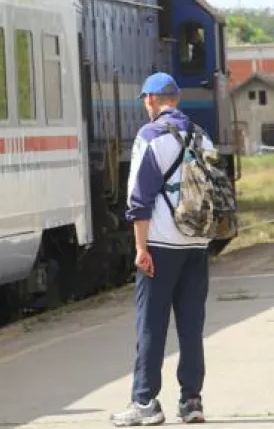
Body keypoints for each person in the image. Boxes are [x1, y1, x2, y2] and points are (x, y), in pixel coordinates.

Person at [110, 72, 211, 427]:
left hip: (160, 245)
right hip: (197, 244)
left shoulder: (150, 136)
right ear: (177, 100)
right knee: (191, 326)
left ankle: (145, 402)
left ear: (151, 99)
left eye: (145, 101)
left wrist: (140, 247)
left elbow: (139, 200)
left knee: (151, 325)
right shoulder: (202, 136)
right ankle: (192, 402)